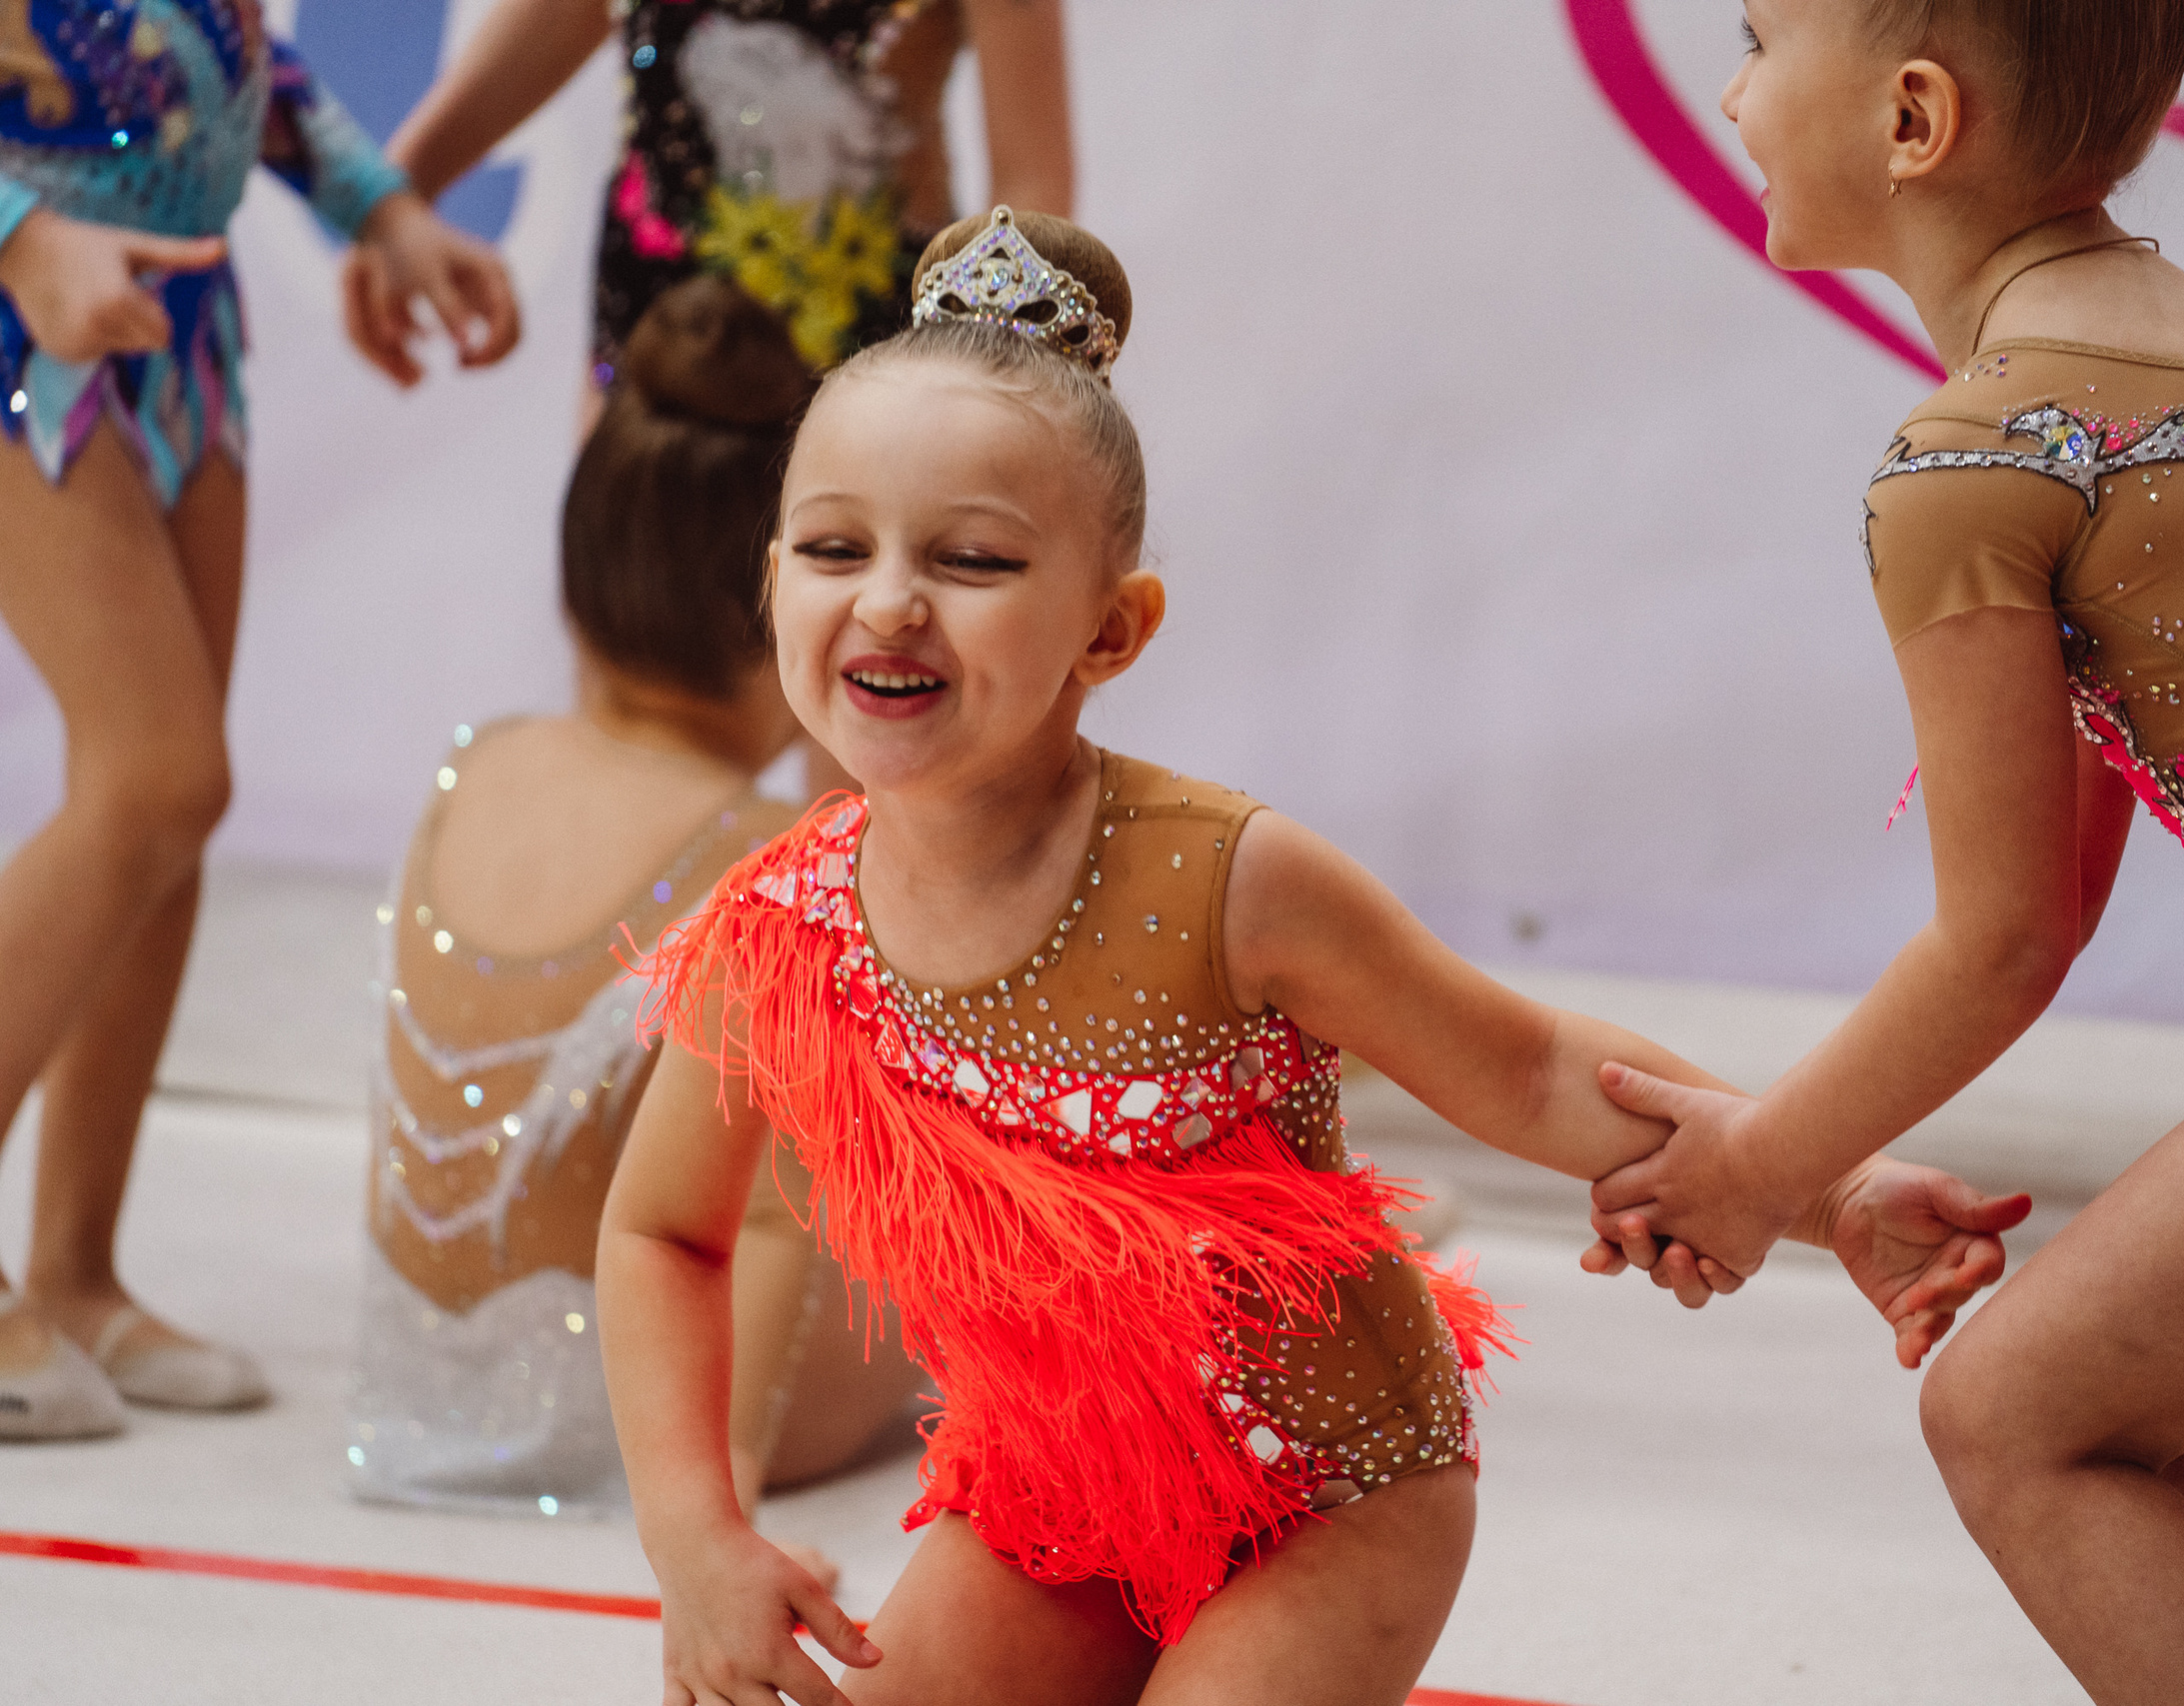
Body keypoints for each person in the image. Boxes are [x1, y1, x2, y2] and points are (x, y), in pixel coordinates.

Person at [599, 208, 2030, 1705]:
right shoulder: (785, 923)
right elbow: (660, 1235)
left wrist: (1841, 1186)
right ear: (773, 586)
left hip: (1334, 1490)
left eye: (970, 558)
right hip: (1050, 1497)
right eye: (835, 547)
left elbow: (1533, 1064)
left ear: (1112, 628)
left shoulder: (1227, 877)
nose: (888, 597)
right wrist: (694, 1538)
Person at [1584, 4, 2184, 1702]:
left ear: (1910, 120)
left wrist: (1756, 1171)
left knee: (2014, 1412)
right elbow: (2067, 894)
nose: (1730, 94)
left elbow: (2005, 938)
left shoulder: (1966, 462)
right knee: (2096, 1408)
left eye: (1753, 40)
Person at [0, 0, 515, 1439]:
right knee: (156, 775)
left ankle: (78, 1266)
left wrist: (386, 207)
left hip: (170, 326)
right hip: (22, 321)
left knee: (166, 823)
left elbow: (233, 52)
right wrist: (21, 235)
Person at [349, 277, 920, 1558]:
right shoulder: (774, 856)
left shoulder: (472, 762)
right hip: (655, 1406)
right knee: (985, 1244)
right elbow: (771, 1217)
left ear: (573, 586)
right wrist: (715, 1495)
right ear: (785, 608)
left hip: (418, 1392)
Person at [345, 0, 1073, 401]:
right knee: (631, 655)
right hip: (646, 361)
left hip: (871, 380)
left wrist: (980, 392)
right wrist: (397, 188)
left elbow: (1034, 183)